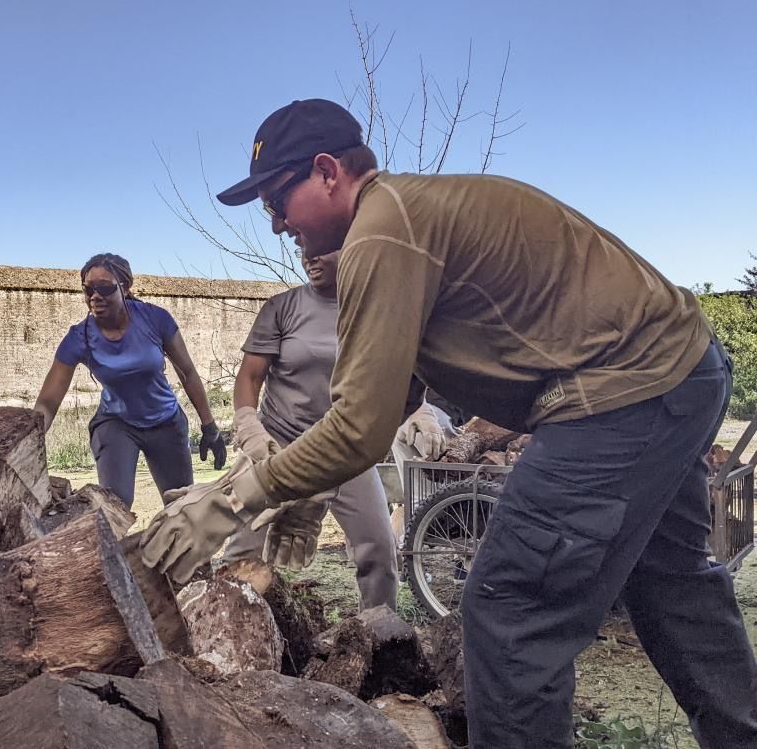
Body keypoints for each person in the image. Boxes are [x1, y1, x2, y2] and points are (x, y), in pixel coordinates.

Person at [141, 99, 757, 747]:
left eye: (276, 200)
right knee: (673, 581)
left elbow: (359, 429)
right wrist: (306, 492)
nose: (274, 224)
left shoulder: (381, 234)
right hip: (677, 369)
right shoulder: (399, 222)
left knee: (510, 607)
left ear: (327, 171)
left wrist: (233, 499)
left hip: (619, 392)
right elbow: (392, 398)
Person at [225, 248, 417, 610]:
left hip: (345, 449)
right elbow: (250, 376)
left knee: (378, 549)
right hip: (278, 447)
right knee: (244, 547)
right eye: (302, 251)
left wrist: (418, 413)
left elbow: (396, 375)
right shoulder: (282, 308)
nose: (308, 258)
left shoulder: (374, 312)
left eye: (319, 250)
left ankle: (381, 636)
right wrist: (249, 424)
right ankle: (230, 633)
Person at [34, 252, 225, 508]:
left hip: (165, 421)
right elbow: (47, 402)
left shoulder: (155, 319)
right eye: (88, 289)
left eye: (104, 288)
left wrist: (209, 426)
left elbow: (187, 372)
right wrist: (28, 446)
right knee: (114, 505)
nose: (95, 296)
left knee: (181, 507)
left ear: (124, 287)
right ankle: (113, 548)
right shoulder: (80, 338)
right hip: (117, 423)